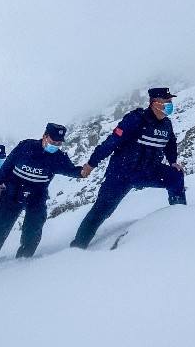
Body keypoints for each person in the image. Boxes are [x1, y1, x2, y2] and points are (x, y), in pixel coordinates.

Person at [70, 87, 186, 249]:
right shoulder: (135, 120)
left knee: (176, 178)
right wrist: (91, 164)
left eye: (170, 102)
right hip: (121, 175)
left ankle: (181, 218)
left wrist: (173, 161)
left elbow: (170, 144)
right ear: (155, 103)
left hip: (149, 171)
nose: (170, 105)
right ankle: (77, 247)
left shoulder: (166, 124)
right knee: (101, 211)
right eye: (167, 102)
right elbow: (112, 142)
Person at [0, 123, 84, 260]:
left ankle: (23, 261)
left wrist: (84, 171)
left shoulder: (58, 158)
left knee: (34, 229)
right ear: (44, 136)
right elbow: (8, 164)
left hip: (37, 197)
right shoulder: (25, 147)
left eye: (58, 143)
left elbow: (71, 171)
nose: (55, 145)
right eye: (52, 141)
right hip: (12, 193)